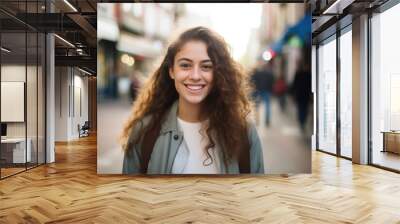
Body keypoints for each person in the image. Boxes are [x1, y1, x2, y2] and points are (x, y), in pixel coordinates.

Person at [121, 27, 264, 174]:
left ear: (218, 73)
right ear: (171, 71)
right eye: (185, 65)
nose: (195, 75)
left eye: (206, 66)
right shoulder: (144, 131)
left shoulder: (244, 131)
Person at [250, 61, 274, 126]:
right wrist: (270, 90)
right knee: (267, 106)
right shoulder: (269, 73)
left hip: (258, 91)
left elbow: (252, 82)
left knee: (257, 106)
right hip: (266, 91)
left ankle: (257, 120)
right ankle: (267, 121)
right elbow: (272, 82)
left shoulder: (256, 73)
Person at [290, 58, 311, 131]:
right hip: (305, 95)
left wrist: (292, 93)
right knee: (304, 108)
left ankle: (301, 121)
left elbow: (294, 84)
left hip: (300, 94)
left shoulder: (298, 73)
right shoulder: (308, 74)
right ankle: (303, 121)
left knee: (300, 108)